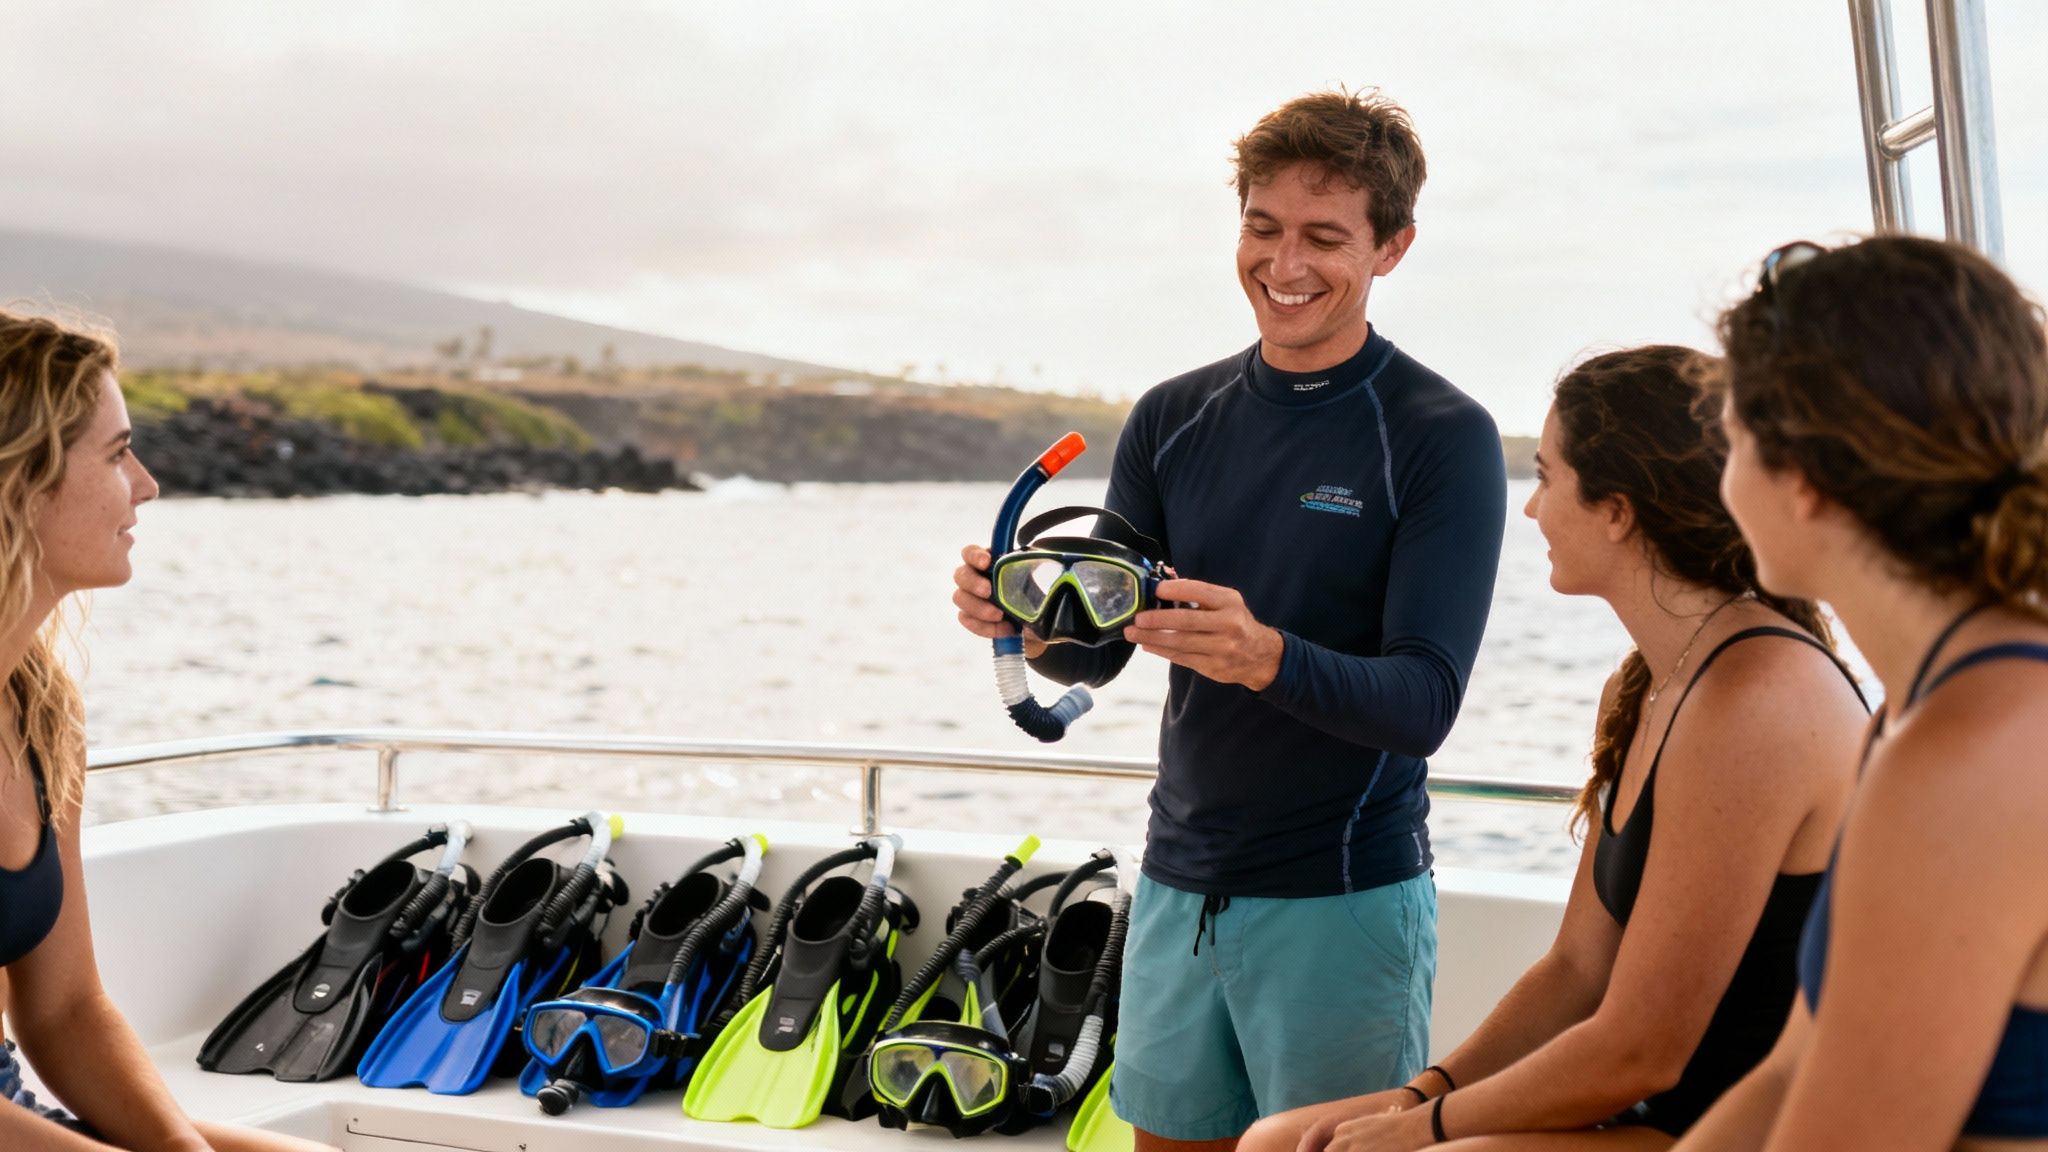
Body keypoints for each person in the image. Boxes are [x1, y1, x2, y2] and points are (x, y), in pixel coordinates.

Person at [953, 88, 1508, 1149]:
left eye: (1324, 238)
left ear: (1391, 248)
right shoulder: (1172, 415)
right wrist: (1022, 620)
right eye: (1262, 228)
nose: (1283, 264)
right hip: (1175, 883)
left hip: (1342, 900)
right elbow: (1095, 650)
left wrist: (1266, 657)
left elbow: (1423, 702)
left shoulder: (1440, 434)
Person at [1239, 346, 1869, 1152]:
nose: (1532, 510)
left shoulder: (1753, 698)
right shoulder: (1641, 686)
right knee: (1275, 1140)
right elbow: (1577, 970)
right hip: (1655, 1113)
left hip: (1753, 1131)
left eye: (1547, 478)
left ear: (1617, 510)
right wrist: (1420, 1095)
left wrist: (1422, 1131)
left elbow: (1642, 1050)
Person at [1672, 236, 2048, 1151]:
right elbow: (1791, 1073)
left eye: (1734, 443)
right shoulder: (1916, 719)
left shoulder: (1972, 758)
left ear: (1804, 481)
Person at [0, 311, 334, 1152]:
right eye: (118, 455)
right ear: (20, 481)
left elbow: (65, 1009)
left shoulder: (40, 711)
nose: (145, 486)